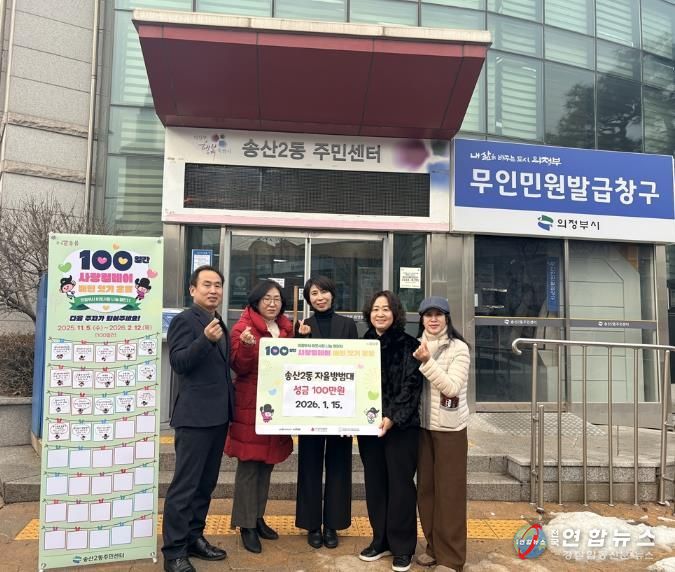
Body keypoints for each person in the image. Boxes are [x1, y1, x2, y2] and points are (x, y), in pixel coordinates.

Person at [162, 265, 234, 572]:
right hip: (194, 418)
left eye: (218, 285)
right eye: (207, 284)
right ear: (193, 290)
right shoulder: (185, 320)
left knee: (205, 485)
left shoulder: (217, 321)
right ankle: (174, 552)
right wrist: (204, 339)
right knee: (185, 486)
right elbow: (179, 362)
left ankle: (194, 538)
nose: (213, 290)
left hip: (218, 417)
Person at [225, 280, 294, 553]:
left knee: (266, 464)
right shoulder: (243, 328)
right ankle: (245, 525)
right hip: (250, 406)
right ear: (256, 301)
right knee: (249, 466)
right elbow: (238, 367)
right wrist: (245, 347)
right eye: (267, 298)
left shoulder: (286, 328)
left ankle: (257, 517)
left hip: (275, 406)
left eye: (277, 299)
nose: (272, 303)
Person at [357, 290, 422, 572]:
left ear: (395, 313)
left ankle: (403, 547)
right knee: (375, 484)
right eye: (375, 309)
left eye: (385, 309)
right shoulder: (362, 345)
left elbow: (411, 386)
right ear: (368, 313)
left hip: (401, 428)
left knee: (400, 486)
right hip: (368, 427)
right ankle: (380, 540)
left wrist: (392, 417)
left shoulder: (410, 345)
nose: (380, 314)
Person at [294, 276, 358, 549]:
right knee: (309, 465)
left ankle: (333, 524)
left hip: (340, 407)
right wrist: (300, 339)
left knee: (339, 465)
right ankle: (312, 525)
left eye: (324, 292)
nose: (319, 297)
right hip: (311, 409)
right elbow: (294, 365)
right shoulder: (303, 325)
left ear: (333, 294)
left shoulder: (348, 325)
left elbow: (357, 364)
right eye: (314, 293)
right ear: (308, 299)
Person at [413, 296, 471, 572]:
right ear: (422, 319)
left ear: (447, 318)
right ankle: (434, 548)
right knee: (426, 491)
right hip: (422, 429)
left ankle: (452, 558)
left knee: (450, 494)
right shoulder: (415, 345)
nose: (433, 319)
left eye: (438, 314)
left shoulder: (459, 348)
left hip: (450, 430)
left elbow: (452, 388)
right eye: (428, 315)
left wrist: (427, 362)